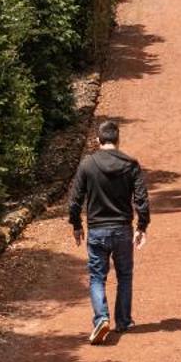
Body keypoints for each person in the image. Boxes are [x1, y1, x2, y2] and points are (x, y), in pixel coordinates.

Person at [68, 119, 150, 344]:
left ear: (98, 140)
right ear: (118, 139)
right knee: (124, 275)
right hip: (122, 228)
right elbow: (141, 199)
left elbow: (75, 200)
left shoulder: (87, 165)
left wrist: (76, 225)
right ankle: (123, 321)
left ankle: (101, 318)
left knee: (97, 276)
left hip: (96, 230)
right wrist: (141, 226)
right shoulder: (131, 164)